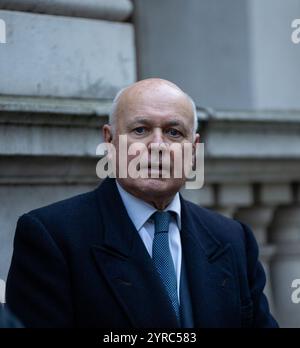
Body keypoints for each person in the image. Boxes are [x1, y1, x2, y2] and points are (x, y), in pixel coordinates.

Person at [6, 78, 278, 328]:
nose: (158, 145)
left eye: (173, 132)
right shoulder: (53, 236)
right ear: (109, 141)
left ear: (194, 150)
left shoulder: (233, 239)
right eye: (140, 129)